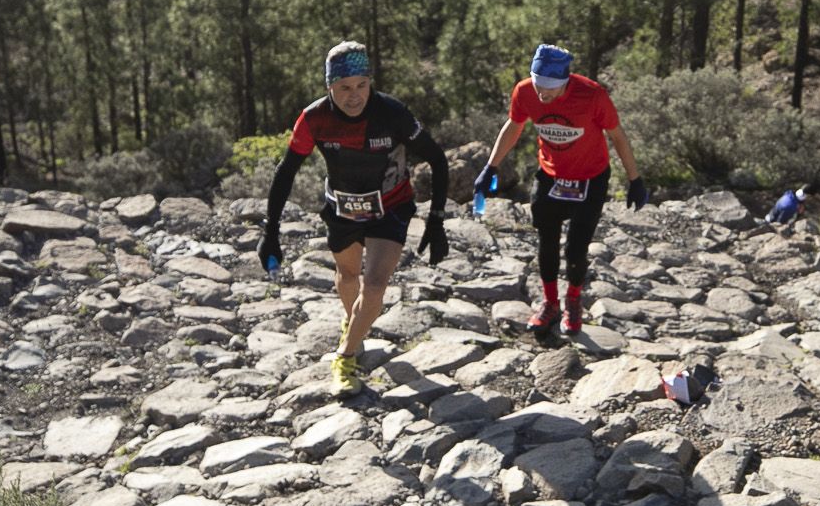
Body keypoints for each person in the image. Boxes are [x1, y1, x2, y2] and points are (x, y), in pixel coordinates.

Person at [261, 41, 450, 396]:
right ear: (329, 87)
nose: (354, 96)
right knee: (348, 276)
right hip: (343, 207)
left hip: (390, 207)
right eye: (344, 87)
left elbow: (438, 159)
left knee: (374, 284)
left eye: (362, 85)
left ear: (370, 82)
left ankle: (345, 357)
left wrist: (436, 221)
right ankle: (355, 327)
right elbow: (286, 171)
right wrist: (270, 230)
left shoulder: (392, 113)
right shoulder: (314, 118)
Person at [475, 44, 645, 337]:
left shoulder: (592, 96)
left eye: (550, 90)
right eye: (539, 86)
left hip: (590, 178)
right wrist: (491, 166)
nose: (542, 95)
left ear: (566, 81)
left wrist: (634, 179)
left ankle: (574, 301)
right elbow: (514, 126)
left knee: (576, 249)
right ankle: (550, 303)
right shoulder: (525, 91)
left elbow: (617, 136)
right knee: (547, 242)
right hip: (551, 175)